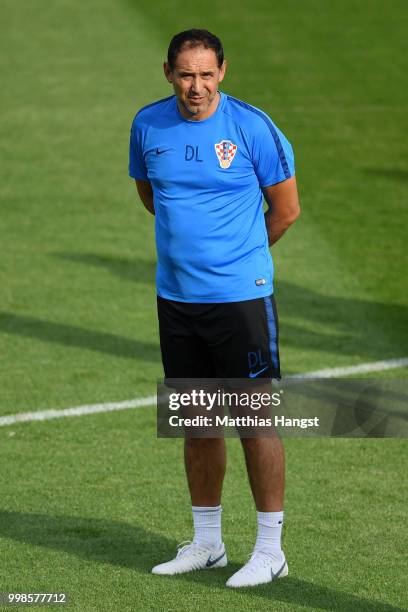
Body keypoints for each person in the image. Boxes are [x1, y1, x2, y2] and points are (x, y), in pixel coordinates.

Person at [128, 29, 300, 588]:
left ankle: (270, 550)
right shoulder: (147, 125)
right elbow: (151, 195)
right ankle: (207, 542)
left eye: (205, 74)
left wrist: (237, 259)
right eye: (185, 74)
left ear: (222, 71)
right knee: (199, 422)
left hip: (241, 300)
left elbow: (287, 209)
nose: (195, 86)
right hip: (176, 300)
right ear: (168, 73)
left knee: (253, 421)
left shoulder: (253, 127)